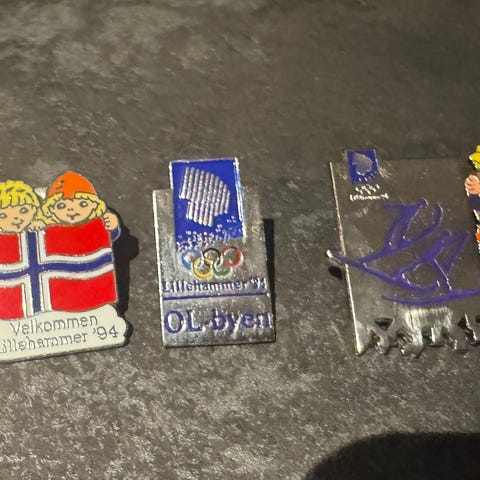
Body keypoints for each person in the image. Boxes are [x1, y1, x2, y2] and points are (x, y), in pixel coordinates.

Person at [42, 171, 120, 239]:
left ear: (94, 205)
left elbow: (108, 238)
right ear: (51, 209)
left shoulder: (95, 224)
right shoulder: (50, 229)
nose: (72, 209)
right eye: (61, 206)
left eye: (82, 204)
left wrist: (113, 227)